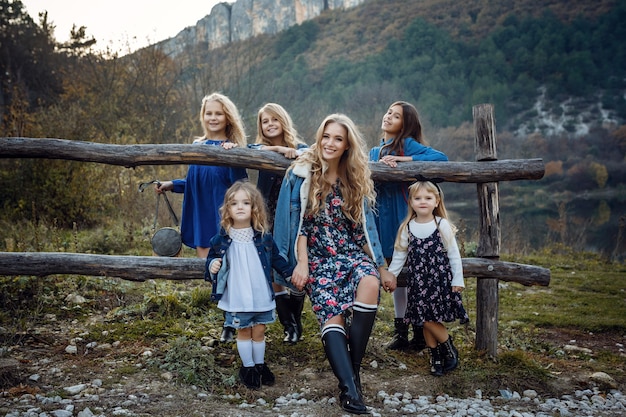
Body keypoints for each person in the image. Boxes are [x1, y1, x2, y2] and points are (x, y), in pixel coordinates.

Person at [274, 114, 396, 415]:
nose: (330, 143)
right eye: (326, 136)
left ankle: (351, 378)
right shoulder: (302, 174)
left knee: (369, 283)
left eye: (338, 139)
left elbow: (363, 231)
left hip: (349, 252)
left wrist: (380, 266)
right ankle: (351, 392)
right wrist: (300, 264)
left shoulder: (353, 178)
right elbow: (297, 225)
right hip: (316, 257)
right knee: (333, 316)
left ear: (347, 145)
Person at [156, 92, 248, 343]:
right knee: (214, 272)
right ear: (203, 116)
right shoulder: (196, 147)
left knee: (231, 270)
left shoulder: (231, 149)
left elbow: (242, 185)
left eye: (218, 113)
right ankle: (230, 317)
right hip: (200, 216)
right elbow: (196, 182)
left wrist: (232, 154)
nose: (213, 117)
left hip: (222, 219)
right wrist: (171, 184)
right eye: (209, 113)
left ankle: (232, 322)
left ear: (227, 117)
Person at [369, 101, 448, 352]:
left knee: (413, 275)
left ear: (406, 124)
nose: (389, 117)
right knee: (395, 274)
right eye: (388, 112)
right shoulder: (374, 151)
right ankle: (400, 332)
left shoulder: (407, 144)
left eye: (396, 116)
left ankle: (418, 334)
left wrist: (403, 159)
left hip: (402, 218)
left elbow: (441, 159)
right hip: (382, 218)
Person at [205, 181, 294, 389]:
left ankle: (260, 365)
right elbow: (210, 262)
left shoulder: (264, 238)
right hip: (237, 295)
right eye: (234, 203)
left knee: (260, 330)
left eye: (246, 202)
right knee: (244, 330)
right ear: (227, 209)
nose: (240, 207)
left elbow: (277, 260)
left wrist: (290, 273)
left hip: (260, 293)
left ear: (255, 208)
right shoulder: (220, 240)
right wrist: (213, 265)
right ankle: (248, 367)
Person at [387, 181, 468, 376]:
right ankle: (436, 356)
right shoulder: (407, 227)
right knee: (423, 320)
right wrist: (391, 276)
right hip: (418, 282)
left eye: (428, 198)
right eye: (418, 198)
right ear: (411, 202)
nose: (423, 202)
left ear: (436, 201)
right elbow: (399, 256)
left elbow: (453, 254)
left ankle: (448, 348)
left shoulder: (441, 225)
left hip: (439, 280)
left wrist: (458, 279)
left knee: (431, 319)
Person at [248, 103, 309, 344]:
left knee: (293, 265)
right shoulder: (259, 149)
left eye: (275, 119)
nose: (270, 124)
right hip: (265, 216)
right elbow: (250, 149)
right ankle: (289, 326)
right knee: (271, 268)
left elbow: (311, 154)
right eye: (265, 121)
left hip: (292, 217)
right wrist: (277, 150)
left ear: (284, 121)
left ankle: (296, 319)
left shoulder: (299, 148)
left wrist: (291, 151)